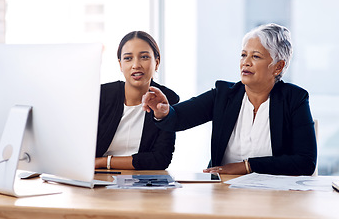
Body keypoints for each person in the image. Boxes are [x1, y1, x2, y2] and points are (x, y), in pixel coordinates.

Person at [142, 23, 317, 176]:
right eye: (243, 55)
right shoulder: (223, 94)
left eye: (255, 56)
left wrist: (247, 167)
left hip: (275, 197)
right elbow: (178, 118)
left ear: (278, 66)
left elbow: (306, 162)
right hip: (224, 190)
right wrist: (164, 112)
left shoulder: (294, 99)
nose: (245, 62)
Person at [95, 31, 179, 170]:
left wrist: (103, 162)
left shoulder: (167, 100)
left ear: (156, 63)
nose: (136, 65)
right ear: (120, 65)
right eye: (128, 58)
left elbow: (160, 159)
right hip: (98, 180)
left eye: (144, 57)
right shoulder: (102, 95)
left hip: (143, 181)